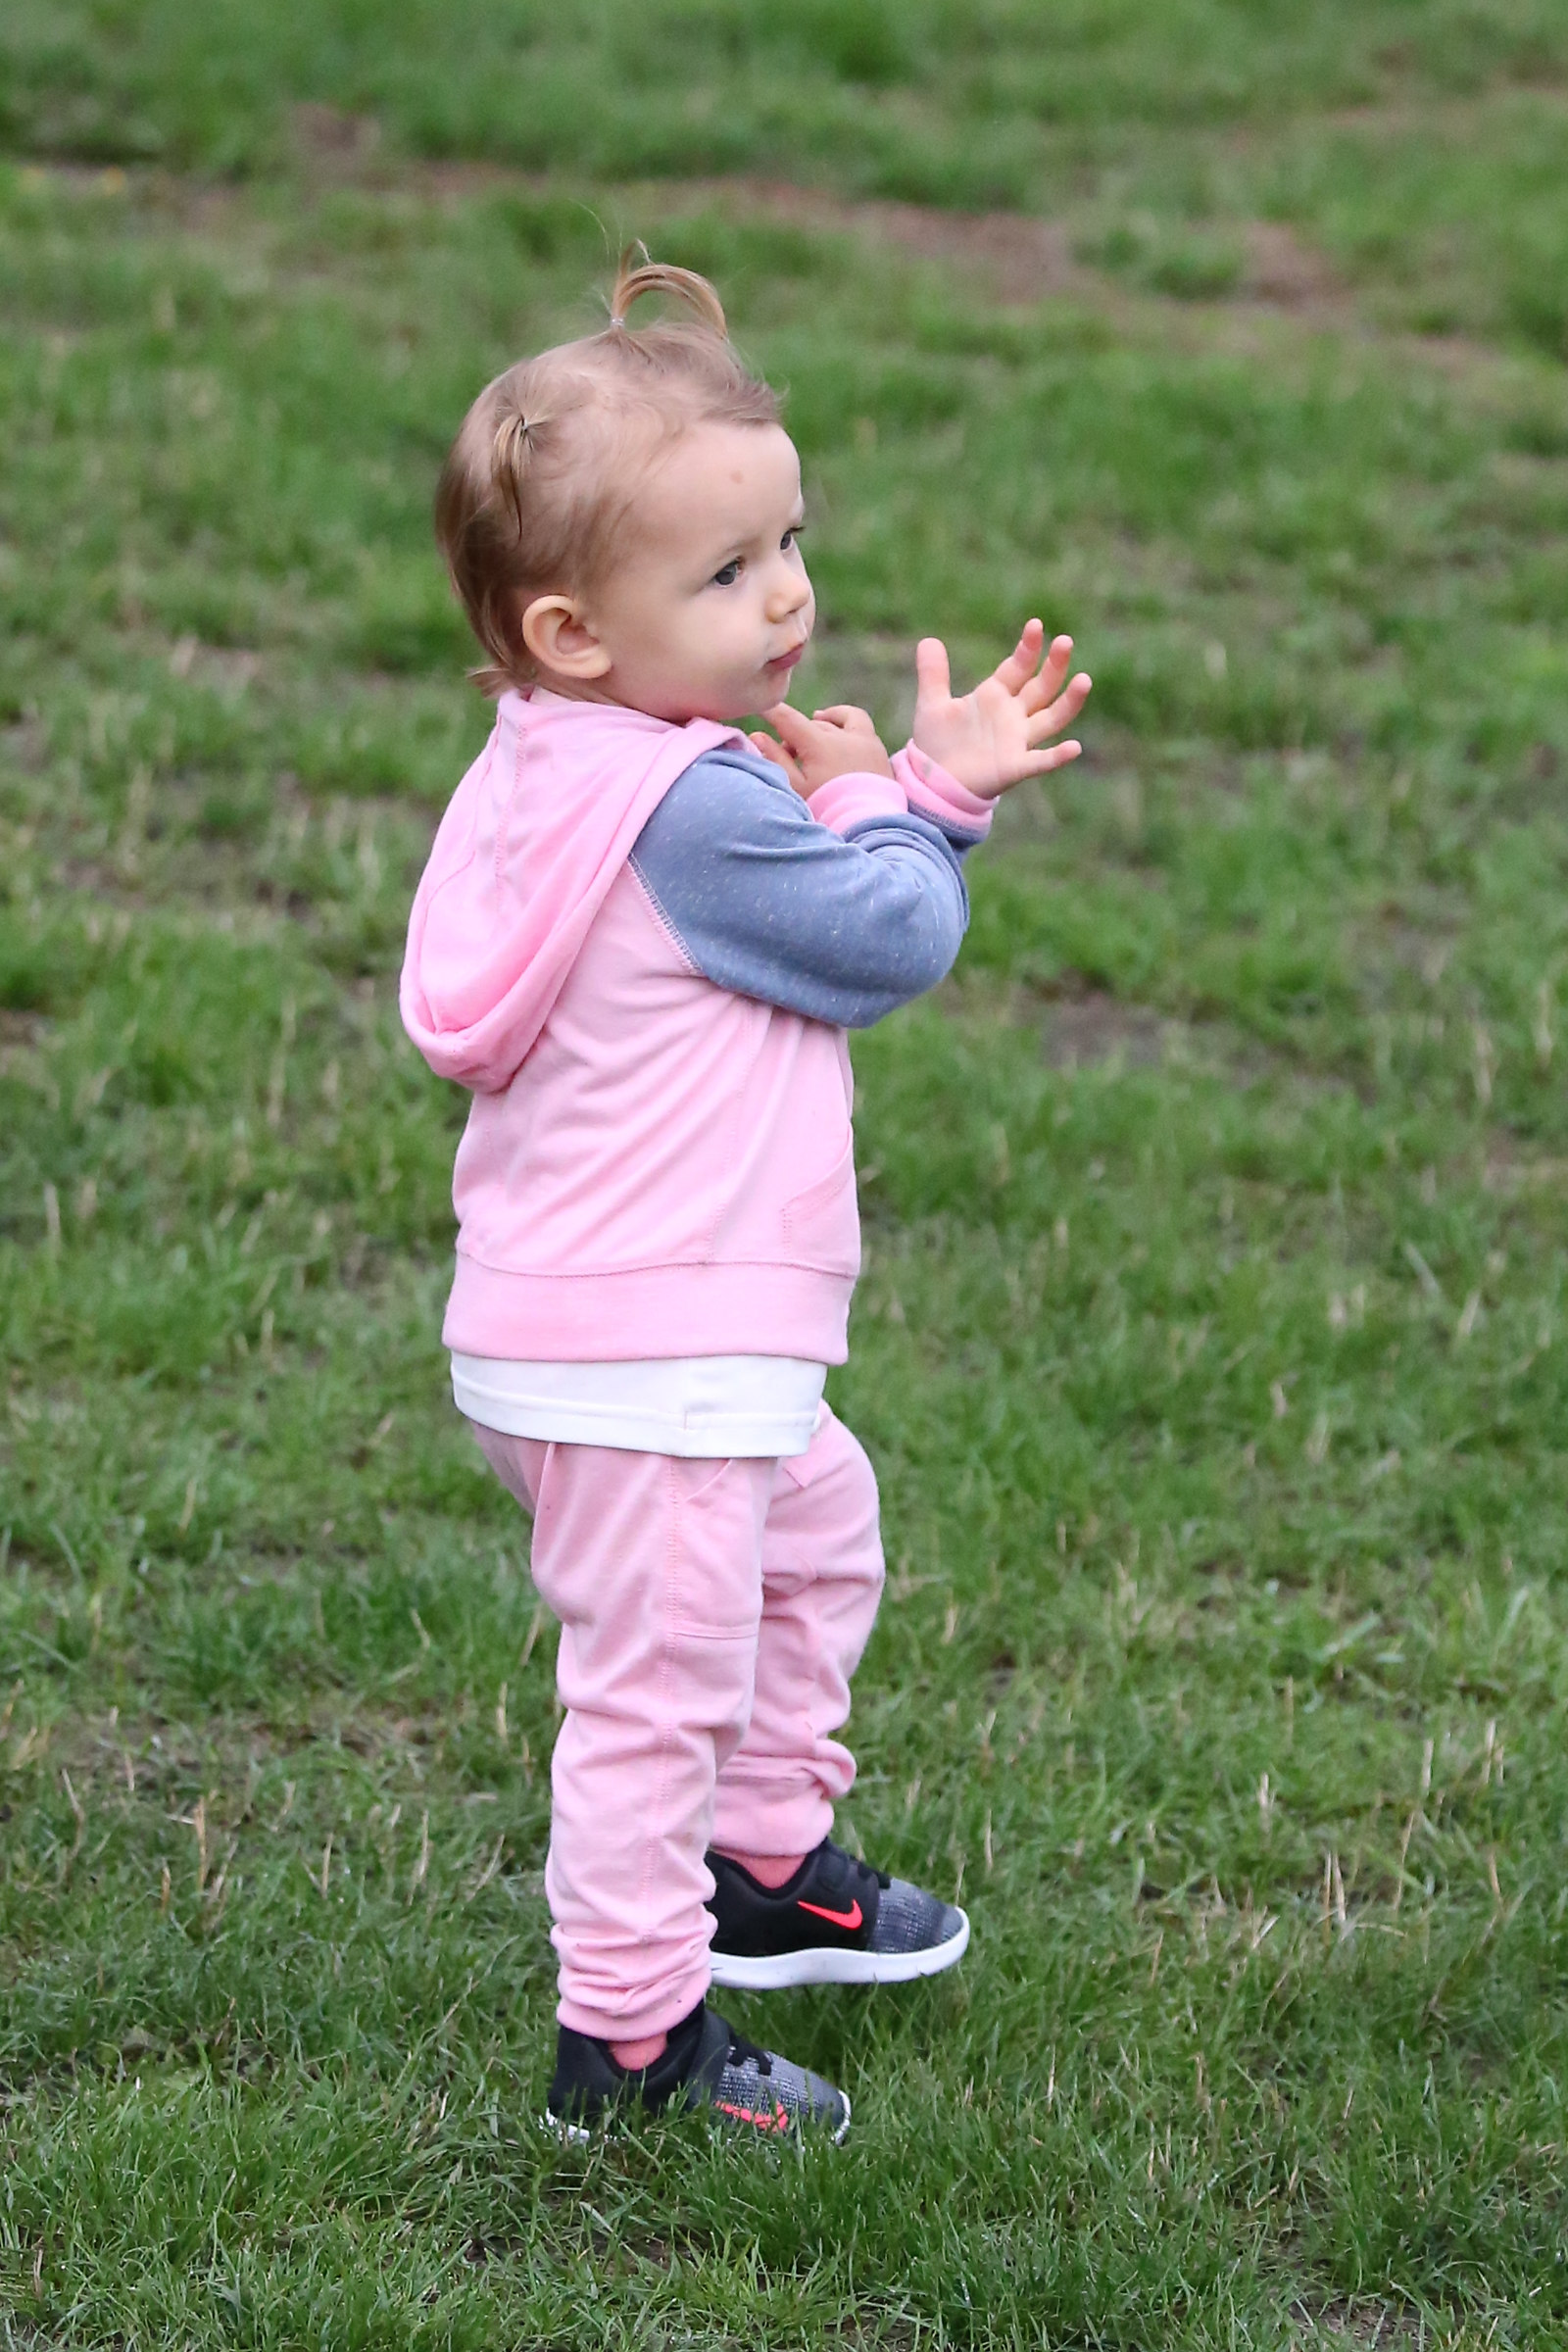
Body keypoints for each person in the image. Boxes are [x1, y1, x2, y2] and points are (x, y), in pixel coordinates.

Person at [400, 252, 1092, 2140]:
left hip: (586, 1331)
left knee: (817, 1522)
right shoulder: (692, 806)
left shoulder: (554, 763)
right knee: (654, 1697)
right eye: (724, 572)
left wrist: (876, 799)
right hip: (658, 1354)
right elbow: (884, 939)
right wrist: (916, 801)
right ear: (570, 632)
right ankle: (630, 2046)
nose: (786, 593)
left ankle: (762, 1864)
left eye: (789, 540)